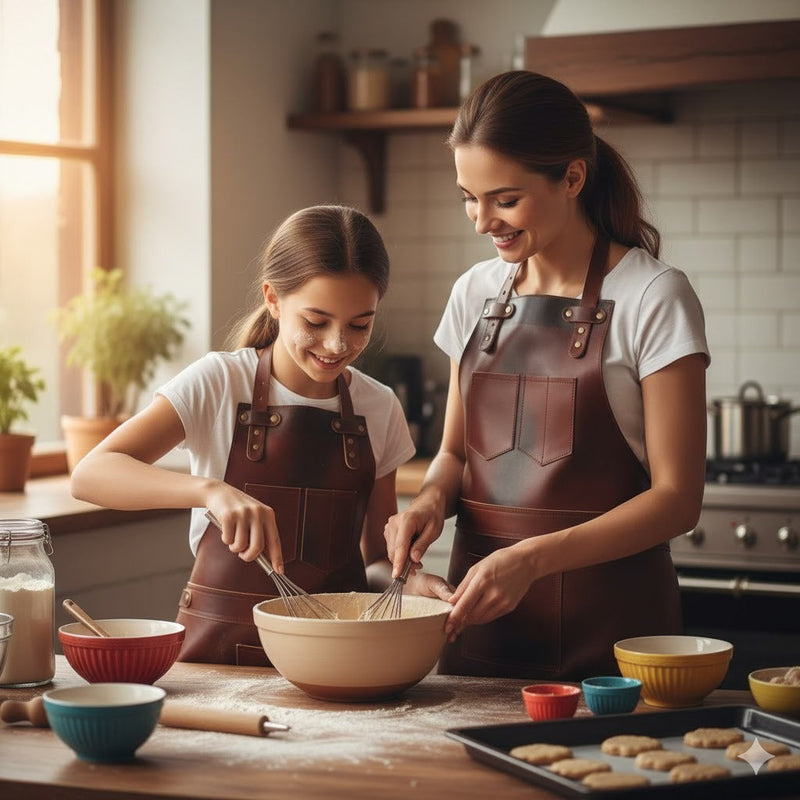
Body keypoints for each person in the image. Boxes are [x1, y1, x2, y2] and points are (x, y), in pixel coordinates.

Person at [383, 71, 709, 679]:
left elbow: (677, 501)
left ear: (573, 178)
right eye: (468, 197)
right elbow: (453, 454)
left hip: (615, 648)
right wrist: (428, 501)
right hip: (479, 636)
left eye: (505, 199)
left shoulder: (653, 295)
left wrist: (533, 560)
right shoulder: (474, 293)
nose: (482, 221)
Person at [71, 204, 444, 665]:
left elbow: (374, 563)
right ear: (273, 299)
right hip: (217, 662)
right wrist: (210, 492)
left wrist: (410, 584)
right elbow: (90, 474)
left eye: (359, 325)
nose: (337, 344)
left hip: (333, 663)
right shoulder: (220, 382)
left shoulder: (379, 406)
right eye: (315, 322)